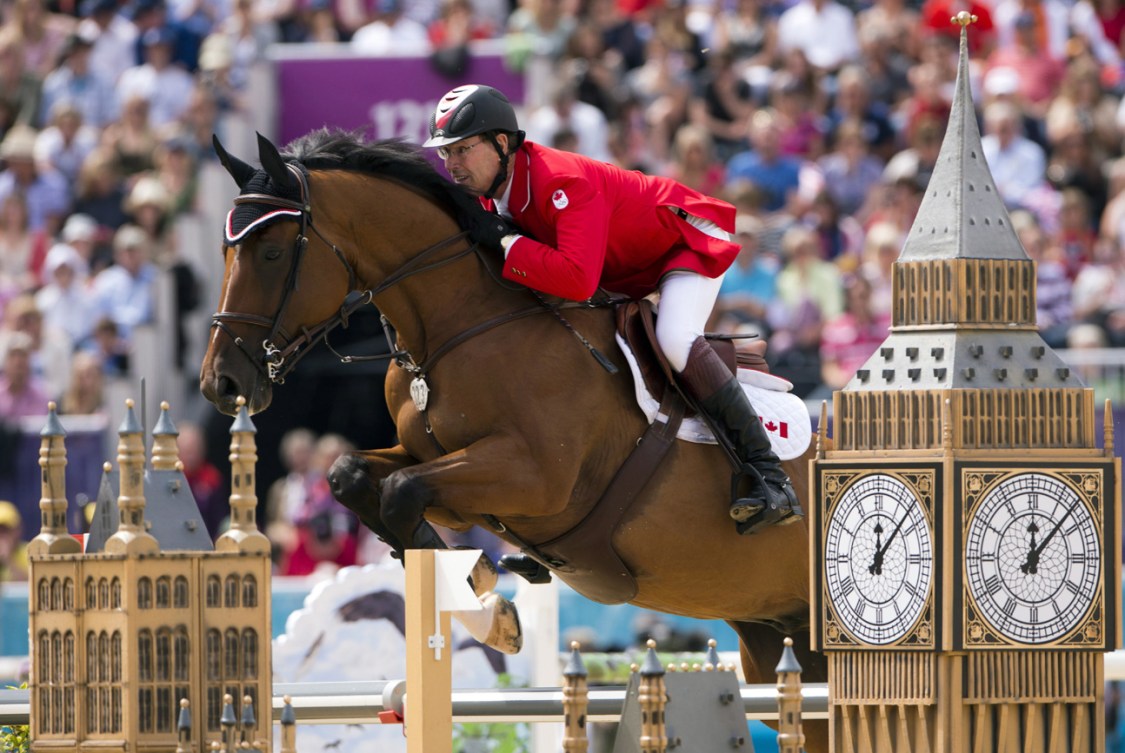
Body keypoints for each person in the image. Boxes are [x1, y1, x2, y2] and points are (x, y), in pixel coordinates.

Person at [422, 84, 801, 539]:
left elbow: (578, 279)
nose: (452, 165)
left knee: (676, 339)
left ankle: (770, 477)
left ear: (502, 144)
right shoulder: (491, 193)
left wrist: (507, 243)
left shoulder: (561, 180)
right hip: (624, 269)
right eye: (446, 154)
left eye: (463, 149)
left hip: (681, 244)